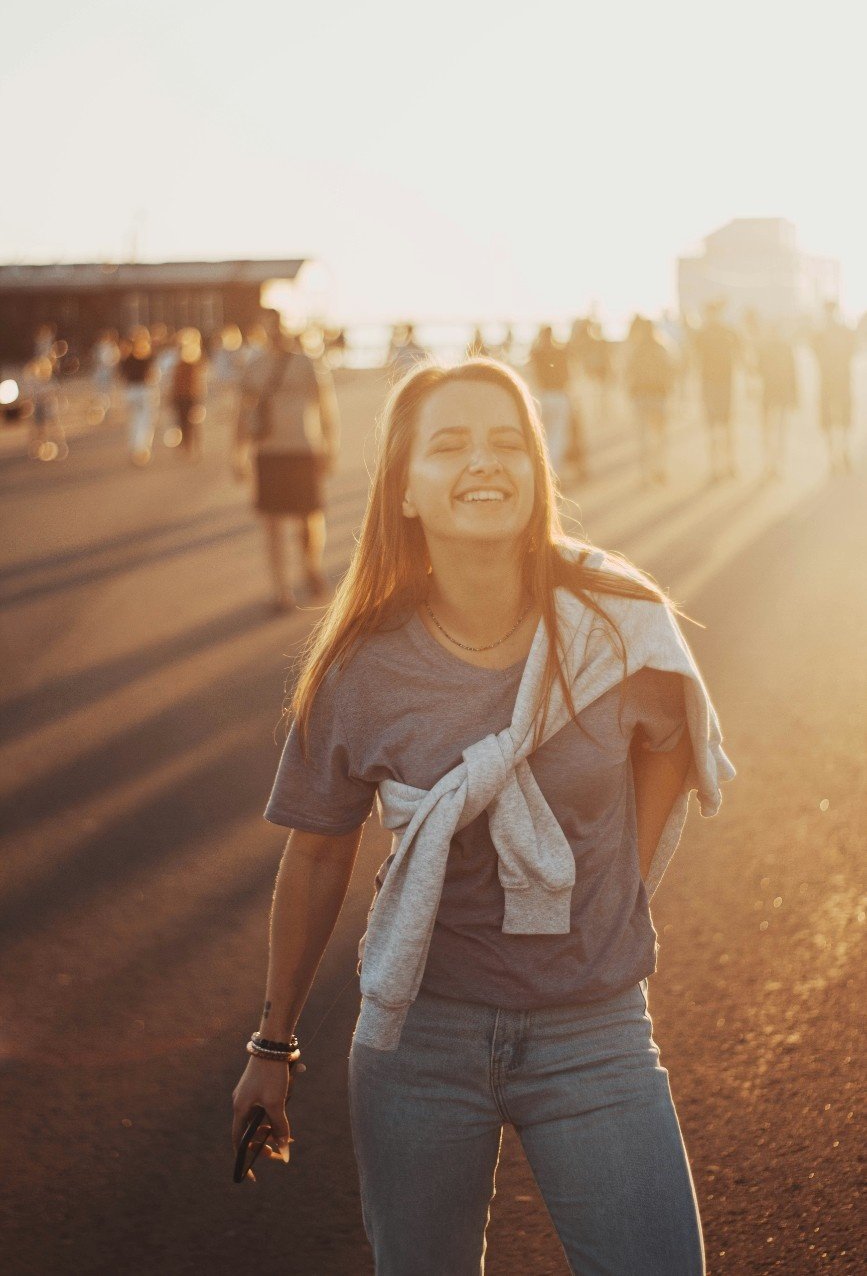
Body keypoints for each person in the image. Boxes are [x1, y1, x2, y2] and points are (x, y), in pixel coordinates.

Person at [230, 357, 735, 1274]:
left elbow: (674, 735)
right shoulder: (356, 666)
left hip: (595, 1028)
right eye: (451, 444)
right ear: (406, 488)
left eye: (509, 442)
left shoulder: (617, 620)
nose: (484, 463)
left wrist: (623, 877)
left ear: (539, 474)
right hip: (421, 1034)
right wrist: (272, 1043)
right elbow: (314, 858)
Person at [236, 310, 340, 612]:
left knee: (310, 517)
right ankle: (281, 589)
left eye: (280, 327)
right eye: (271, 328)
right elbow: (241, 414)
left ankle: (311, 567)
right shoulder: (254, 366)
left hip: (303, 448)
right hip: (268, 452)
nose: (276, 333)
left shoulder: (308, 363)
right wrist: (237, 454)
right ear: (263, 331)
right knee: (272, 523)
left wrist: (330, 445)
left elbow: (326, 406)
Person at [625, 316, 676, 487]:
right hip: (658, 396)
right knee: (659, 436)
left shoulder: (636, 349)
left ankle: (644, 475)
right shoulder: (661, 347)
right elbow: (670, 370)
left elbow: (628, 373)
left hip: (641, 396)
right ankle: (660, 469)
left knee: (643, 437)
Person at [693, 301, 741, 482]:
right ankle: (716, 467)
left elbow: (739, 354)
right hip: (710, 384)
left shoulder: (725, 332)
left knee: (726, 427)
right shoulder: (704, 334)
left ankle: (729, 464)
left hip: (723, 384)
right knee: (713, 428)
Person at [811, 301, 856, 474]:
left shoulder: (821, 334)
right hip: (835, 381)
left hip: (834, 381)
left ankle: (841, 452)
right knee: (834, 419)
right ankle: (835, 455)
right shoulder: (836, 333)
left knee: (840, 419)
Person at [528, 325, 573, 478]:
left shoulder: (537, 353)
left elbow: (532, 372)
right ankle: (553, 474)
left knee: (542, 437)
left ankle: (544, 471)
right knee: (558, 437)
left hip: (543, 397)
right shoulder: (560, 352)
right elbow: (567, 376)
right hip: (559, 396)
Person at [755, 322, 798, 479]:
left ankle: (776, 464)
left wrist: (794, 397)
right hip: (770, 395)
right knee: (771, 431)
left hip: (779, 395)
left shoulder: (784, 349)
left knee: (778, 431)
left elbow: (793, 373)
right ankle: (769, 463)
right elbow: (757, 371)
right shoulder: (765, 349)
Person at [118, 327, 157, 466]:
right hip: (144, 391)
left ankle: (134, 447)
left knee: (134, 421)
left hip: (130, 392)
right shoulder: (148, 357)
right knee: (144, 422)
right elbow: (152, 376)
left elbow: (121, 376)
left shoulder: (126, 357)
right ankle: (141, 450)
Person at [169, 328, 207, 460]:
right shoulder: (194, 361)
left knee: (185, 423)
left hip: (186, 396)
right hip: (188, 396)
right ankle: (191, 448)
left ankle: (189, 448)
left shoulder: (182, 361)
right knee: (189, 424)